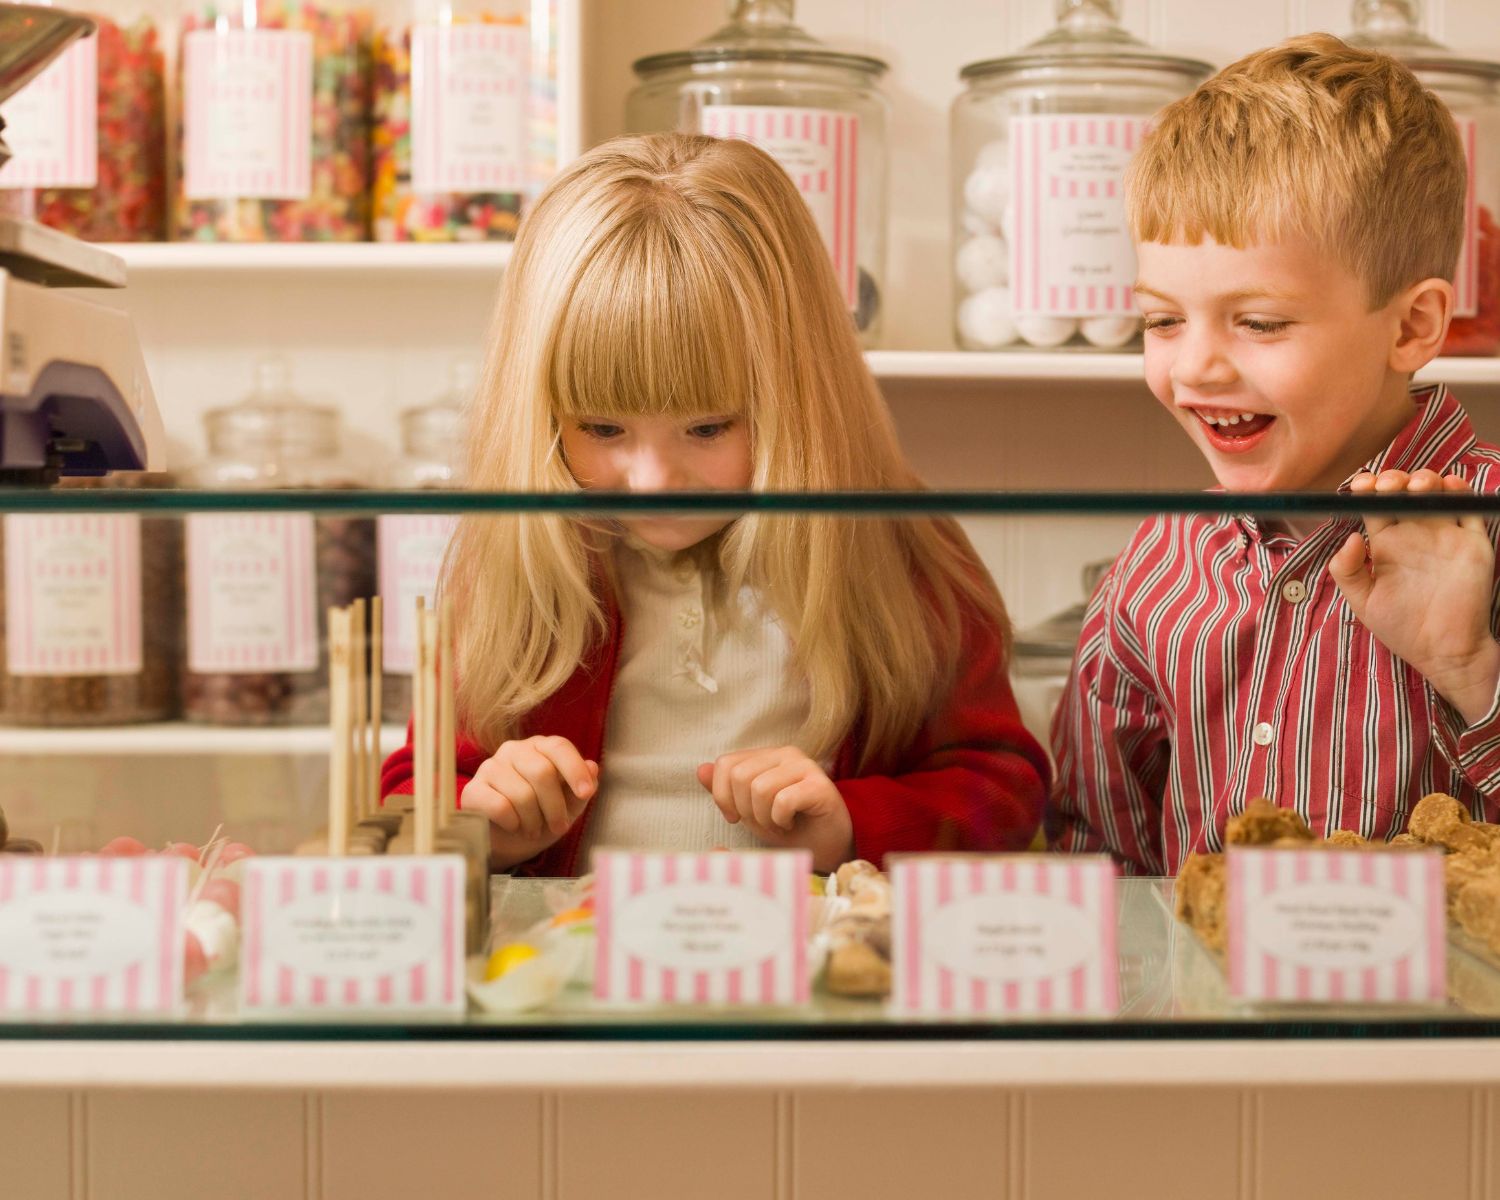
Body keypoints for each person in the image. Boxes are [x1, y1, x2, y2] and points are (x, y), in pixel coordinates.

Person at [382, 132, 1049, 875]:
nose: (652, 478)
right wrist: (483, 825)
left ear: (802, 395)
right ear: (537, 412)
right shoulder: (518, 556)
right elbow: (411, 795)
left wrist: (848, 827)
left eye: (706, 427)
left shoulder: (895, 547)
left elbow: (1004, 794)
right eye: (603, 428)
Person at [1049, 33, 1500, 875]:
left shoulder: (1487, 536)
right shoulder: (1156, 567)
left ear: (1411, 326)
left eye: (1258, 322)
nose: (1194, 367)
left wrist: (1469, 669)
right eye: (1161, 321)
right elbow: (1099, 848)